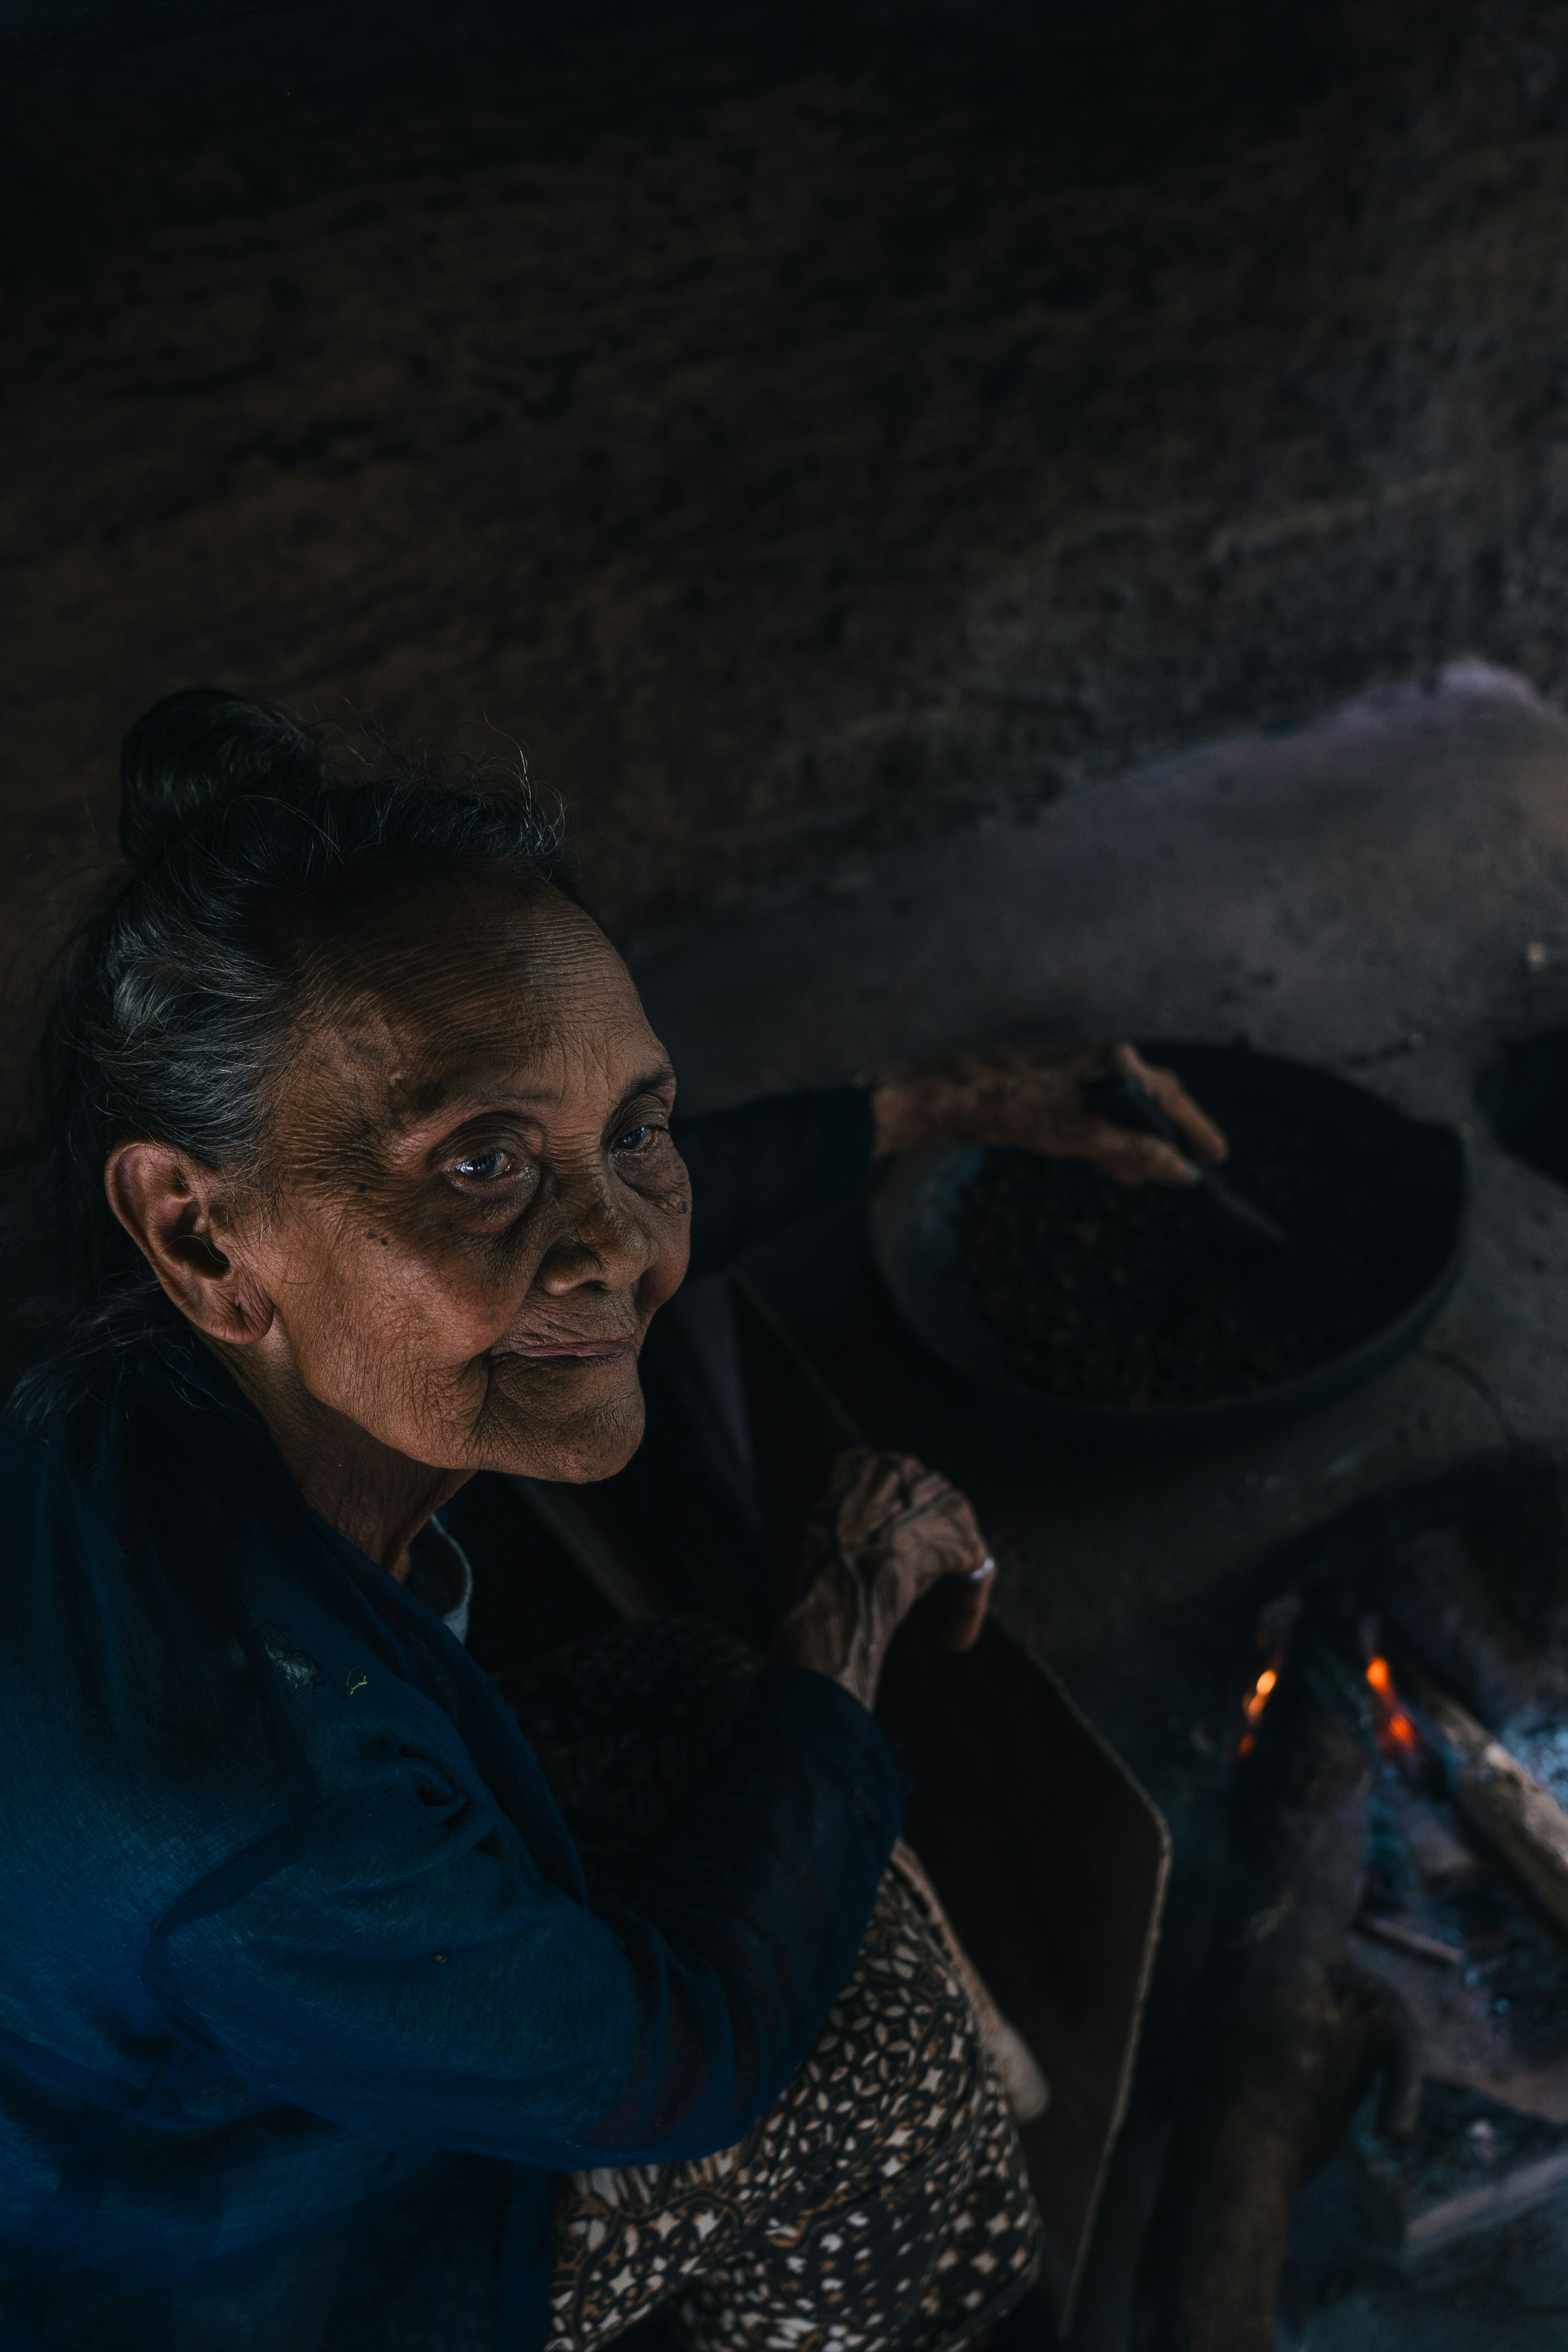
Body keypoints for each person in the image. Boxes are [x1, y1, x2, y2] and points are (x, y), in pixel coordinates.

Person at [0, 693, 1223, 2352]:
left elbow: (584, 1209)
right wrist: (845, 1617)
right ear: (203, 1235)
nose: (622, 1246)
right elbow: (682, 2065)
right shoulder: (255, 1805)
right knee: (861, 2046)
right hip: (222, 2260)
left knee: (692, 1696)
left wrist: (938, 1107)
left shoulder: (124, 1299)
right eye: (480, 1164)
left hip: (145, 2017)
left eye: (632, 1125)